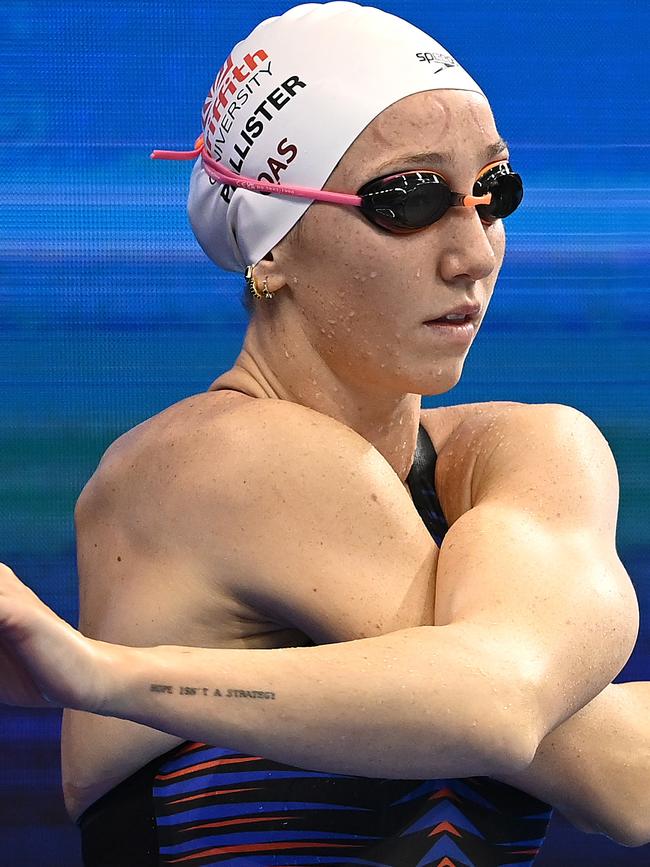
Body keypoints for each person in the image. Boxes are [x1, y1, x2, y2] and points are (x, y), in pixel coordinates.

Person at [1, 2, 648, 864]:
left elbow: (614, 772)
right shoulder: (210, 462)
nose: (475, 252)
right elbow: (502, 707)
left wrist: (105, 674)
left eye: (493, 190)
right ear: (268, 248)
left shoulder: (527, 449)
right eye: (407, 200)